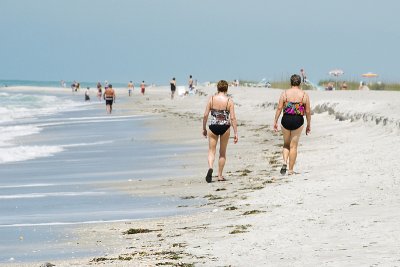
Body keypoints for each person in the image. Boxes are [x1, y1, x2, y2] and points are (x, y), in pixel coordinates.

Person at [273, 74, 311, 175]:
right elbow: (307, 111)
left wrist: (275, 121)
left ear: (290, 83)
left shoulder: (284, 93)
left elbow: (279, 108)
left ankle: (284, 162)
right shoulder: (304, 95)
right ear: (300, 83)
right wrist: (308, 125)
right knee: (293, 146)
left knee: (286, 144)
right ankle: (290, 170)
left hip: (286, 119)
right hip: (298, 120)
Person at [202, 80, 238, 183]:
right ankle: (220, 175)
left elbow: (205, 115)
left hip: (213, 126)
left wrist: (204, 128)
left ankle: (210, 167)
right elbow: (233, 118)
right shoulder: (229, 101)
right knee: (222, 152)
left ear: (217, 88)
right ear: (226, 89)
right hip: (225, 127)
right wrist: (235, 132)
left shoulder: (212, 99)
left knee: (211, 151)